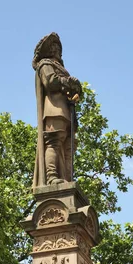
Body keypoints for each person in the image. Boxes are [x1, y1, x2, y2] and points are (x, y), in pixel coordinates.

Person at [32, 32, 82, 187]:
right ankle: (52, 178)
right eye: (54, 46)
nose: (58, 49)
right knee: (54, 143)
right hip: (54, 109)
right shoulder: (45, 64)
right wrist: (67, 83)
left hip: (67, 112)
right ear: (49, 50)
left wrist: (76, 88)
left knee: (68, 149)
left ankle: (66, 180)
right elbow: (51, 82)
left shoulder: (61, 68)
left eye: (58, 47)